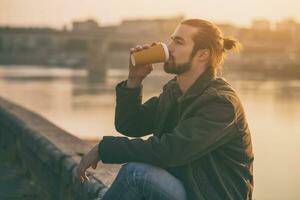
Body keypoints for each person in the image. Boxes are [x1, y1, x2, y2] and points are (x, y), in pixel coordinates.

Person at [76, 18, 254, 200]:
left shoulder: (220, 103)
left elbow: (169, 151)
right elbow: (130, 124)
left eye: (178, 42)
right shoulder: (174, 92)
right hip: (187, 189)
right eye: (171, 40)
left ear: (203, 54)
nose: (169, 48)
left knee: (136, 175)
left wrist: (104, 148)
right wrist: (134, 81)